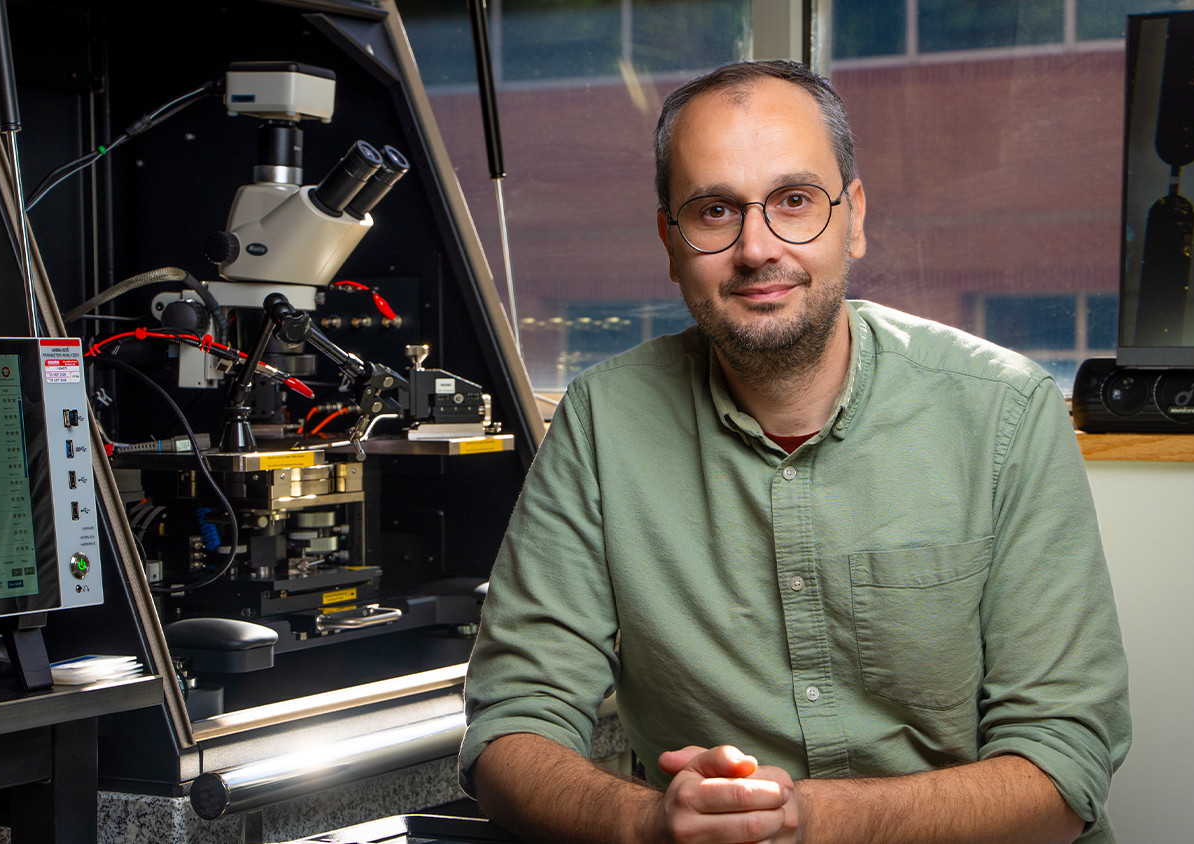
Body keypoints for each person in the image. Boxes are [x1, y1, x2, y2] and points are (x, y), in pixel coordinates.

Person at [460, 60, 1130, 844]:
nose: (756, 247)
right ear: (669, 242)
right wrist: (644, 824)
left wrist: (812, 821)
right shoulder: (602, 421)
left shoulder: (1005, 413)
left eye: (794, 201)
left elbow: (1064, 764)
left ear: (855, 218)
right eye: (714, 211)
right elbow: (510, 723)